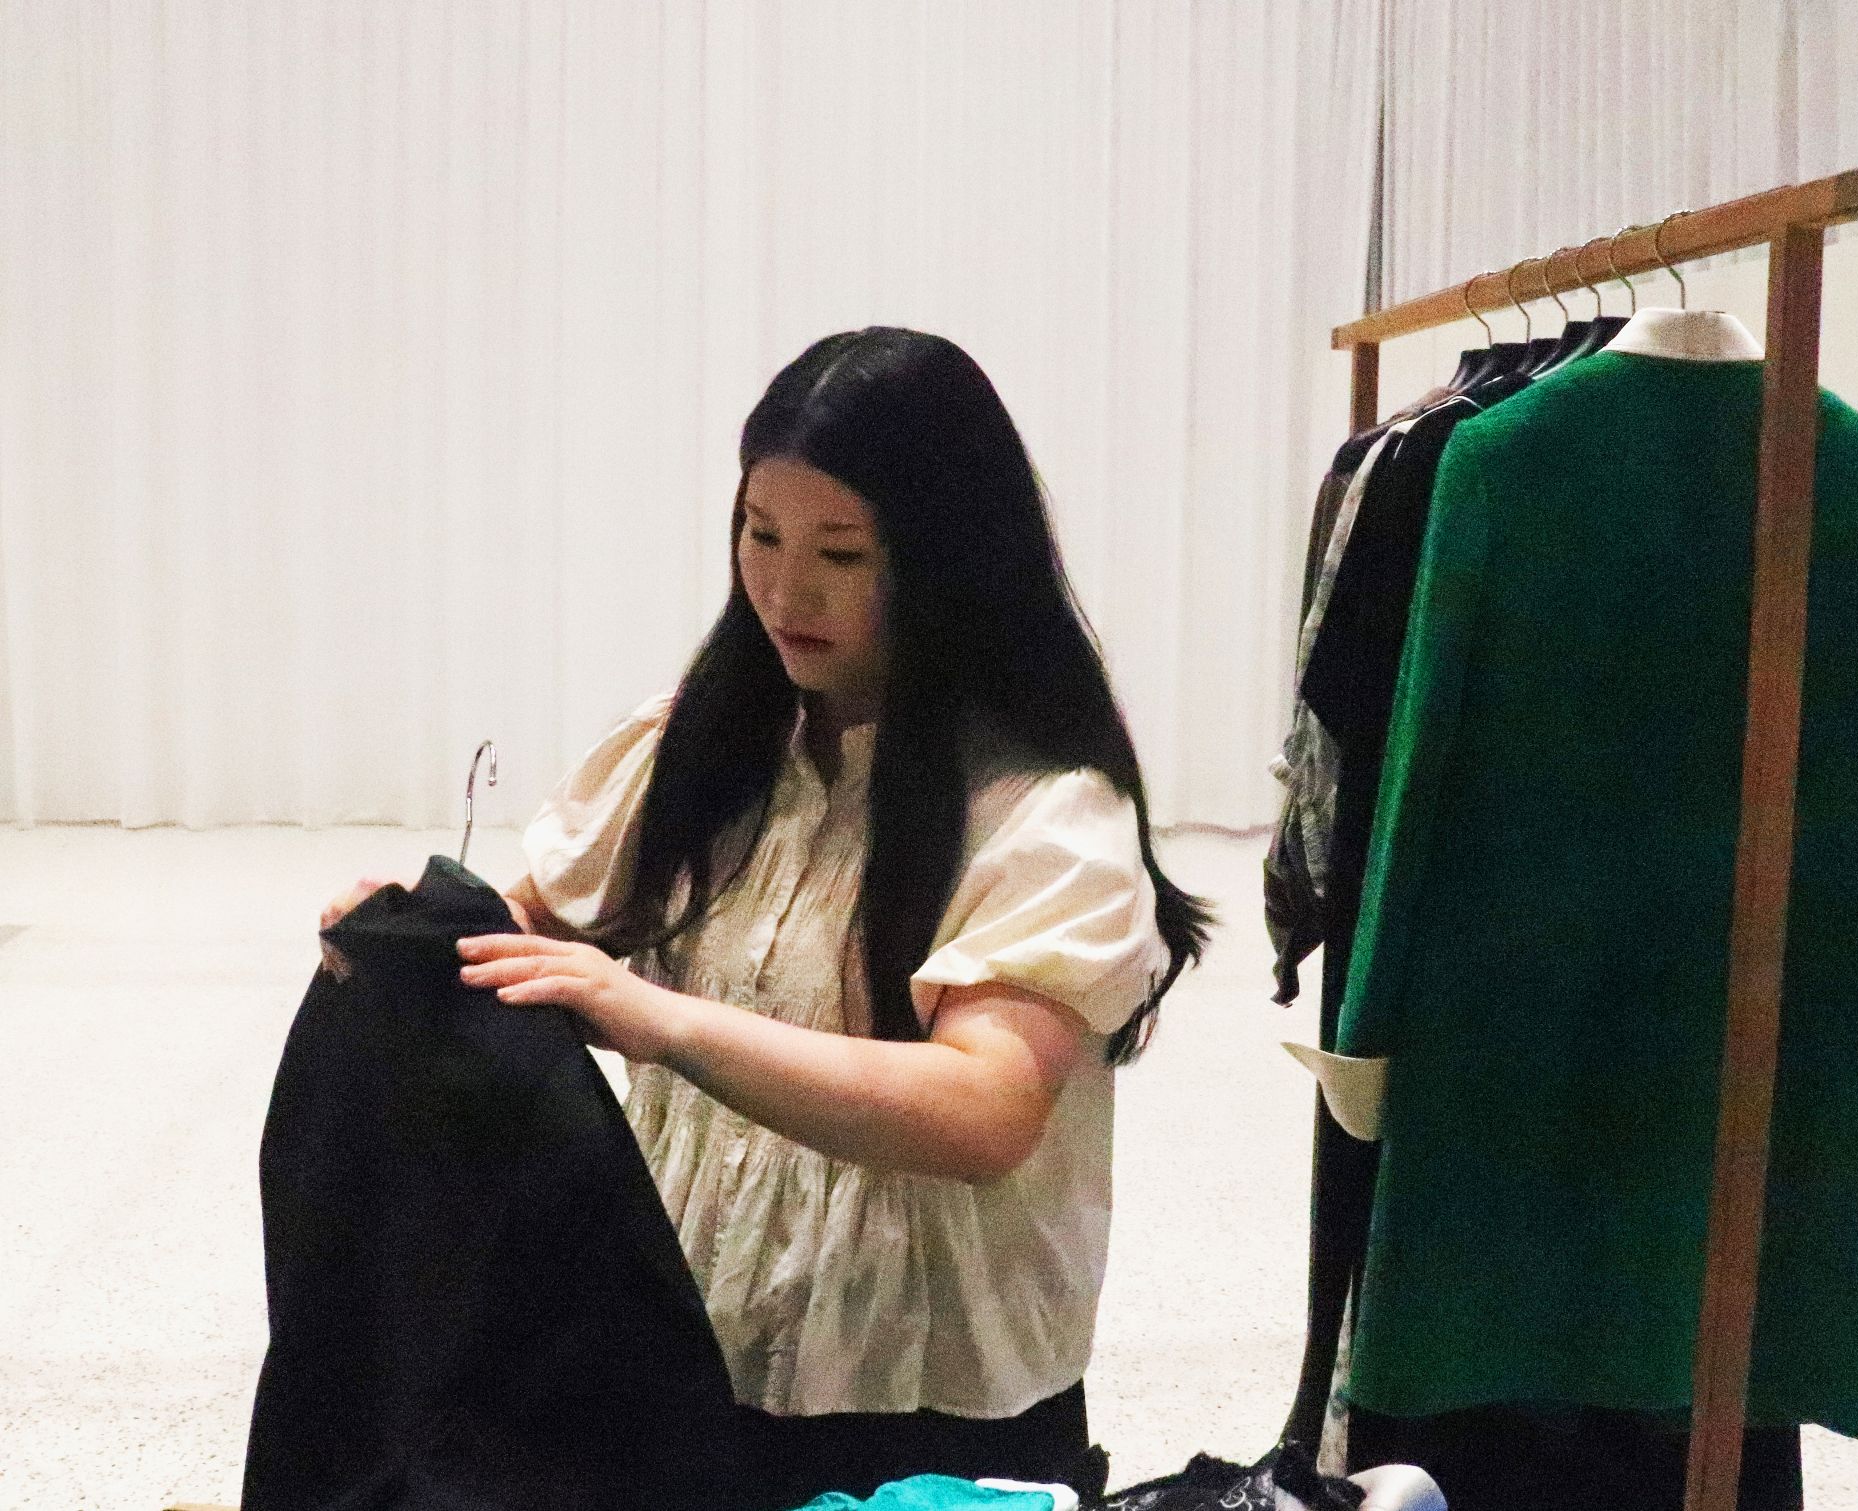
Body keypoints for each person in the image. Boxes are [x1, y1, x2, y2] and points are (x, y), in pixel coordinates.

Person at [320, 327, 1211, 1505]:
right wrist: (416, 932)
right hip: (687, 1355)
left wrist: (667, 1022)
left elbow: (983, 1108)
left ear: (948, 558)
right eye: (759, 532)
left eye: (842, 552)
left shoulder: (1041, 807)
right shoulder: (704, 742)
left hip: (926, 1406)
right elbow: (538, 924)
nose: (786, 590)